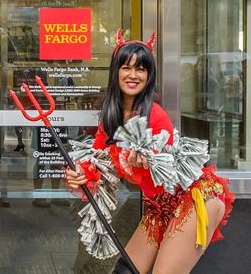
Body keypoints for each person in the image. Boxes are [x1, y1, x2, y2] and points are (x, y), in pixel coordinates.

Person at [64, 32, 234, 274]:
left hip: (194, 201)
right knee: (125, 271)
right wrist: (80, 175)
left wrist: (151, 164)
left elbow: (174, 172)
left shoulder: (155, 115)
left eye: (141, 69)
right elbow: (96, 168)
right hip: (159, 207)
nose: (133, 75)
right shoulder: (110, 119)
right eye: (126, 67)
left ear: (149, 76)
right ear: (116, 72)